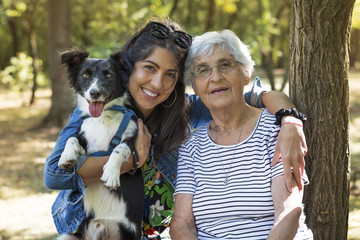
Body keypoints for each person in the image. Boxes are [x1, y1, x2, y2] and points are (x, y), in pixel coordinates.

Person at [44, 18, 307, 239]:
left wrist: (290, 120)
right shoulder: (98, 109)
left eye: (170, 75)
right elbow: (53, 175)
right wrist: (129, 162)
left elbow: (256, 94)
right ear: (127, 69)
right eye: (149, 68)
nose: (157, 83)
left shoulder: (188, 111)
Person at [170, 29, 313, 240]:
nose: (215, 77)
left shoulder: (275, 130)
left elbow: (288, 214)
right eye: (203, 70)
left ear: (245, 73)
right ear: (195, 87)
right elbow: (181, 224)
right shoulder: (192, 146)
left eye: (225, 65)